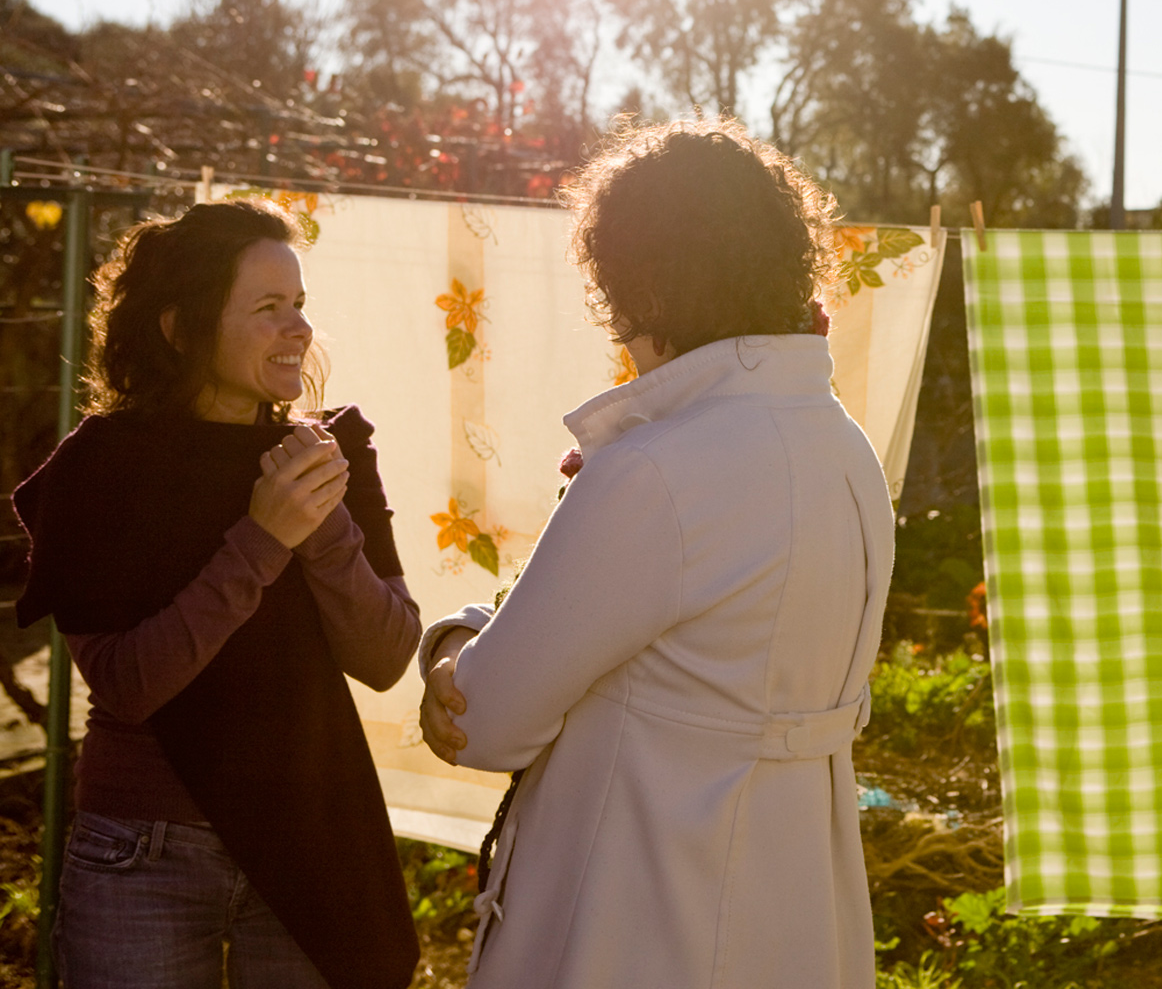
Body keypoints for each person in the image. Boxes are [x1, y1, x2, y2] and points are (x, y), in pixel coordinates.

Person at [417, 118, 895, 988]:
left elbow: (487, 719)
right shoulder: (845, 448)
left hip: (637, 914)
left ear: (642, 284)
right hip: (795, 918)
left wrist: (452, 644)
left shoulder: (656, 470)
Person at [11, 199, 421, 989]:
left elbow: (386, 656)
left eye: (299, 305)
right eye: (268, 309)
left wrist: (323, 527)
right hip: (143, 855)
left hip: (310, 841)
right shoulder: (100, 471)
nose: (298, 330)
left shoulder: (328, 454)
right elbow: (129, 685)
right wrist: (262, 540)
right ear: (179, 327)